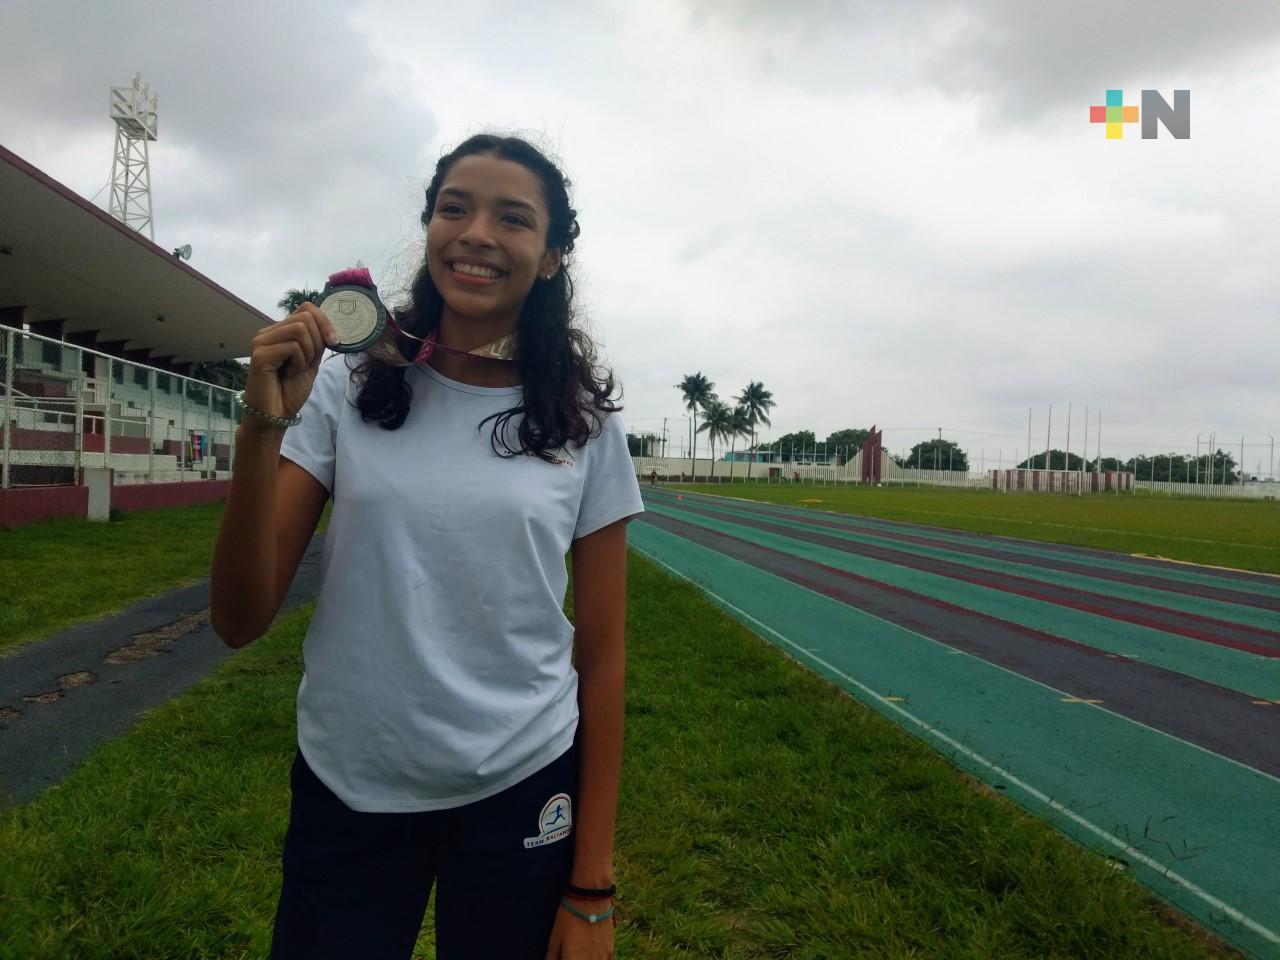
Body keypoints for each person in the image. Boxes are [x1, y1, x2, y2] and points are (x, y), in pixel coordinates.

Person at [211, 134, 643, 960]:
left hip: (522, 782)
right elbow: (238, 619)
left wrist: (591, 885)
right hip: (352, 783)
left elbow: (605, 659)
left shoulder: (585, 422)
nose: (476, 232)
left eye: (512, 219)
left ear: (551, 256)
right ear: (430, 228)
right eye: (455, 208)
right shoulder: (347, 383)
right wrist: (263, 425)